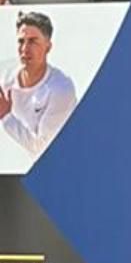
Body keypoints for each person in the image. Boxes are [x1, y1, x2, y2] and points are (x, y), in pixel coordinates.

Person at [1, 11, 79, 156]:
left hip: (62, 169)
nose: (24, 49)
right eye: (21, 41)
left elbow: (43, 150)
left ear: (48, 46)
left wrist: (6, 116)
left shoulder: (61, 88)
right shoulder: (6, 80)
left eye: (32, 41)